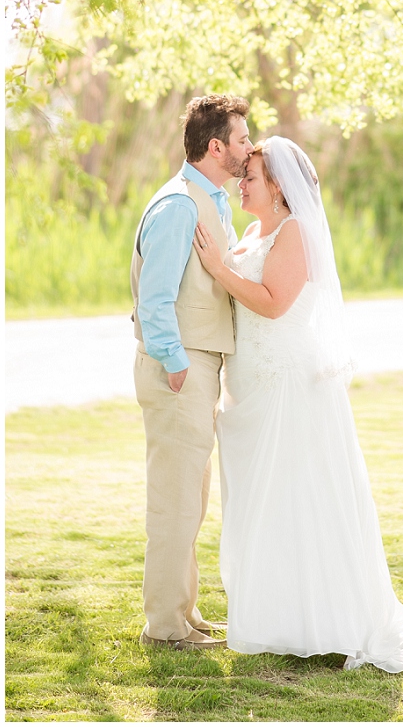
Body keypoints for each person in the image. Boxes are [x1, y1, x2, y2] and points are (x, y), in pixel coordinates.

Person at [192, 135, 403, 671]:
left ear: (280, 189)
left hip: (290, 384)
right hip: (251, 386)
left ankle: (326, 619)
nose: (242, 182)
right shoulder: (250, 231)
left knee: (301, 496)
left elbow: (272, 304)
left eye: (252, 177)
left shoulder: (295, 233)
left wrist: (220, 269)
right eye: (243, 175)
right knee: (263, 501)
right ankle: (276, 617)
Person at [131, 94, 253, 650]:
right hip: (178, 369)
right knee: (174, 502)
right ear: (216, 146)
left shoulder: (211, 201)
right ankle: (165, 627)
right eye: (243, 139)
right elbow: (154, 299)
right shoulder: (180, 206)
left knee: (191, 499)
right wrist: (176, 366)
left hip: (199, 367)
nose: (249, 148)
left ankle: (184, 611)